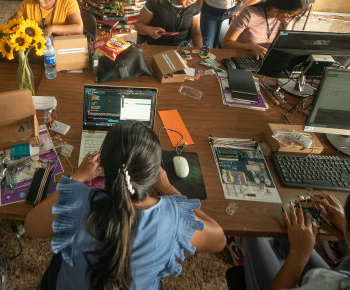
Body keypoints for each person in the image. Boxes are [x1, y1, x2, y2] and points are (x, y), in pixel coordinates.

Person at [24, 120, 226, 290]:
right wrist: (169, 189)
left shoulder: (77, 201)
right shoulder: (173, 218)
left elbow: (31, 226)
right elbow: (219, 239)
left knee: (62, 254)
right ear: (154, 173)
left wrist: (77, 177)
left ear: (102, 164)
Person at [221, 0, 308, 59]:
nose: (289, 19)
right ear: (278, 5)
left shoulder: (287, 21)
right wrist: (251, 47)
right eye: (289, 14)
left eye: (294, 16)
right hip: (242, 60)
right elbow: (226, 43)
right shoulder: (250, 14)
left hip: (265, 63)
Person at [135, 0, 204, 48]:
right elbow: (138, 26)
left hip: (181, 50)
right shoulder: (157, 1)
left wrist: (199, 52)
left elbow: (196, 33)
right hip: (155, 47)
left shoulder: (193, 7)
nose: (194, 0)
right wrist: (149, 30)